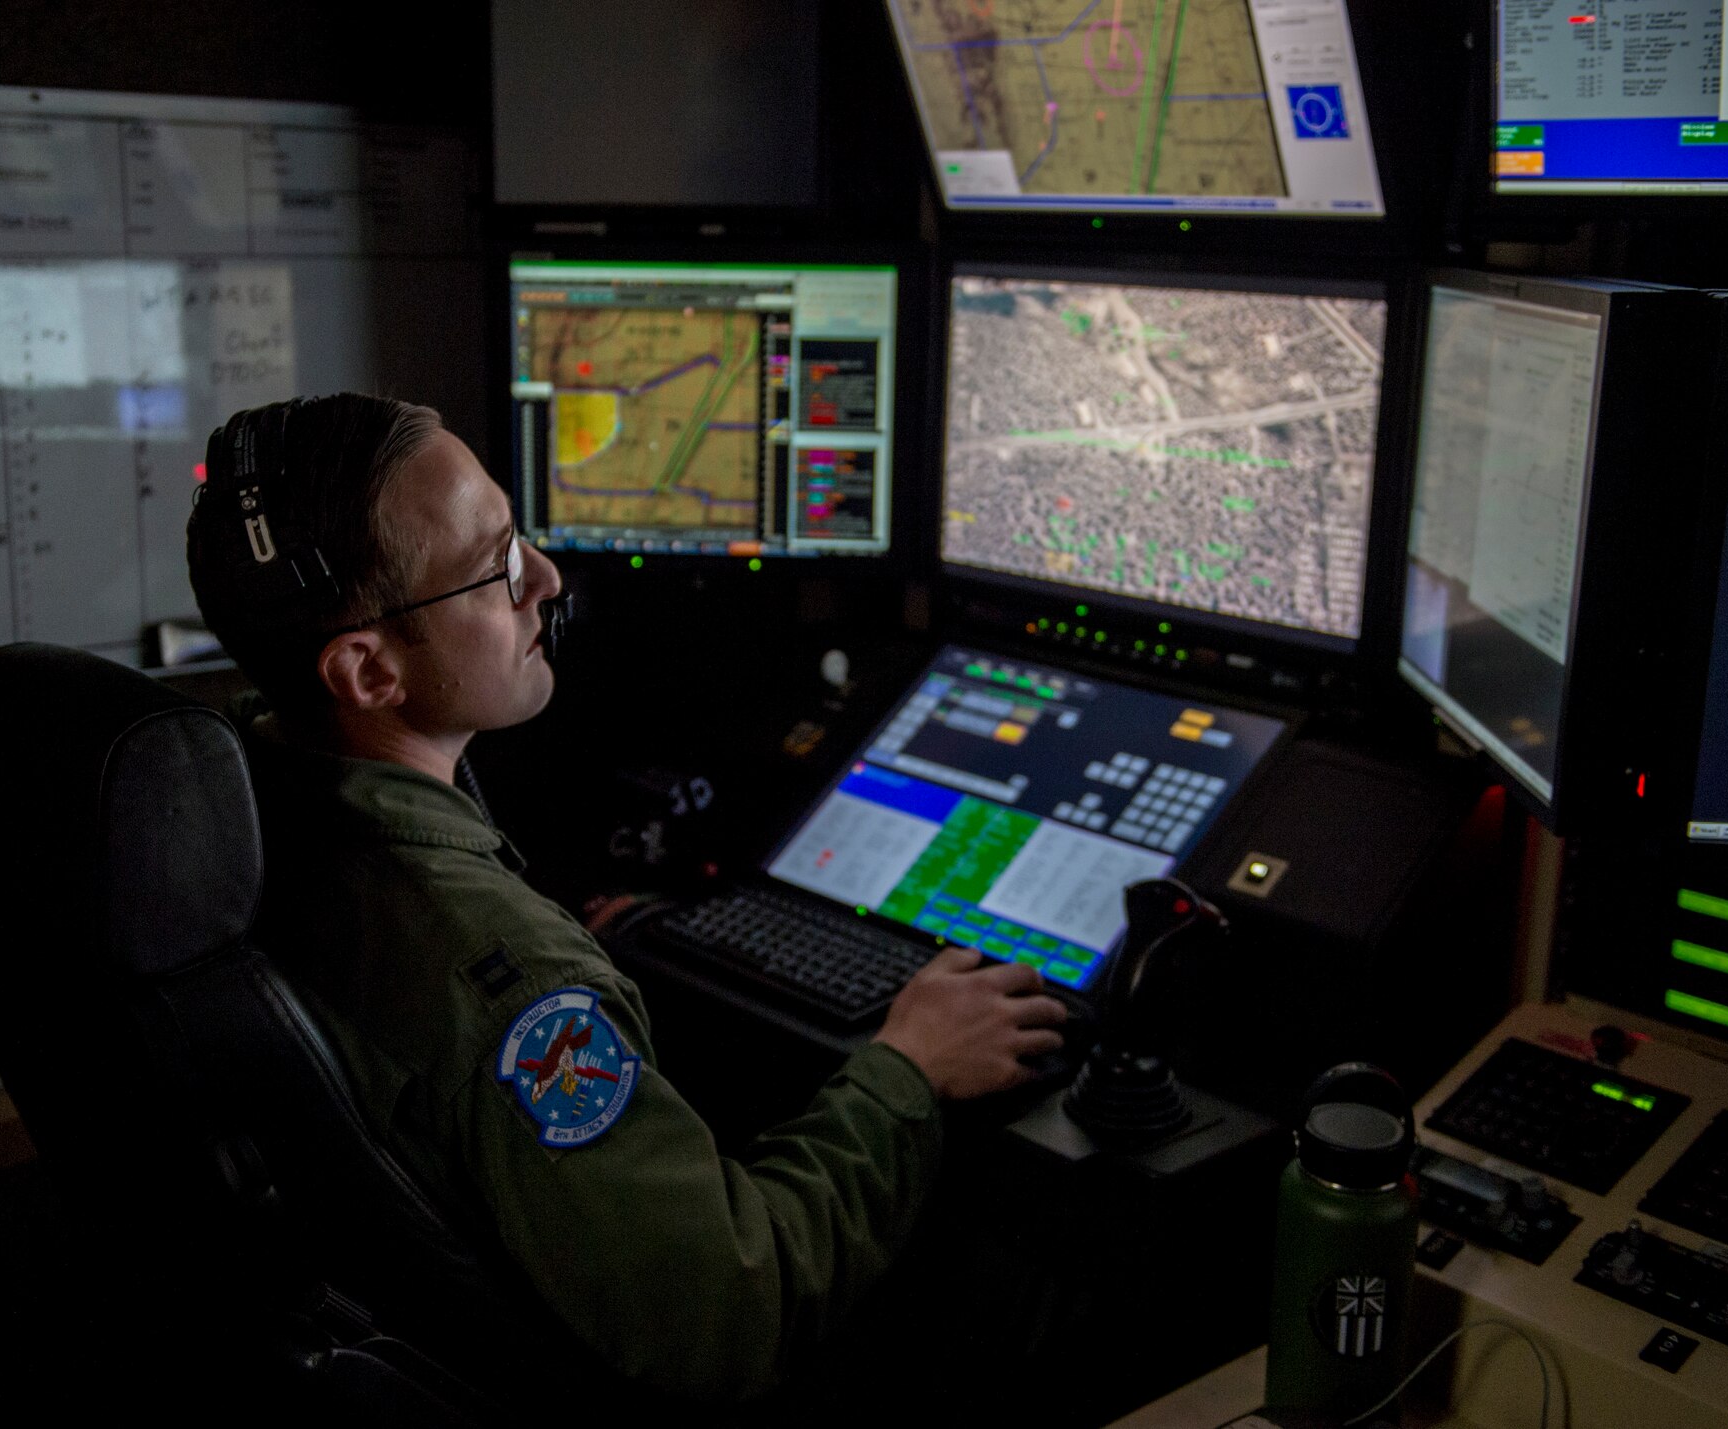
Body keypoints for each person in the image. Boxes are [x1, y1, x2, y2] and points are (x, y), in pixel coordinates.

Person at [184, 393, 1067, 1406]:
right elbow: (729, 1318)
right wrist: (904, 1070)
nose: (547, 582)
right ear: (367, 669)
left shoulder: (237, 811)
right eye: (497, 566)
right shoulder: (510, 984)